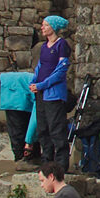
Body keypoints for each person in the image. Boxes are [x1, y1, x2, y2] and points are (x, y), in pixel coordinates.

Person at [30, 15, 71, 171]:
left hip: (53, 93)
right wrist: (34, 82)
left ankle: (61, 165)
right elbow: (41, 66)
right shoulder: (44, 46)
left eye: (45, 25)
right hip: (40, 92)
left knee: (56, 128)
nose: (43, 28)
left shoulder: (62, 45)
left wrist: (42, 85)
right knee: (43, 128)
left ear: (53, 27)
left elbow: (60, 71)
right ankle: (46, 162)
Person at [0, 71, 39, 170]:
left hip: (20, 89)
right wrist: (29, 142)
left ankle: (34, 157)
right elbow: (35, 120)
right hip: (11, 89)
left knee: (25, 124)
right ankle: (20, 159)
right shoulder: (44, 97)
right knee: (18, 128)